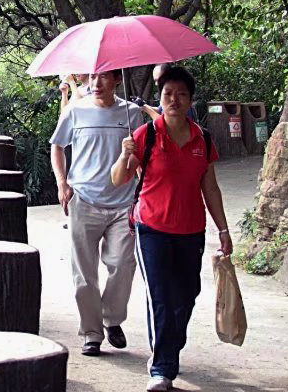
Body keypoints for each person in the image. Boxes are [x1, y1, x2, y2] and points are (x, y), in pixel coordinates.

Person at [111, 66, 232, 392]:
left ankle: (166, 351)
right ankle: (162, 369)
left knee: (187, 296)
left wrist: (223, 230)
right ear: (160, 99)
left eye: (181, 94)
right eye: (168, 94)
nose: (174, 99)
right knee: (161, 298)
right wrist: (125, 156)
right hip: (152, 229)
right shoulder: (146, 136)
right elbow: (119, 178)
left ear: (190, 99)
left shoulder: (202, 139)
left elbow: (211, 188)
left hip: (191, 231)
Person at [50, 70, 143, 357]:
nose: (97, 83)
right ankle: (92, 333)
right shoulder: (76, 111)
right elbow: (57, 146)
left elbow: (142, 157)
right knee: (84, 273)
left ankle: (112, 319)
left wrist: (134, 157)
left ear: (117, 80)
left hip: (123, 202)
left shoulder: (132, 113)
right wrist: (62, 183)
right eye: (93, 77)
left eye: (105, 77)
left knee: (123, 265)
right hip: (84, 200)